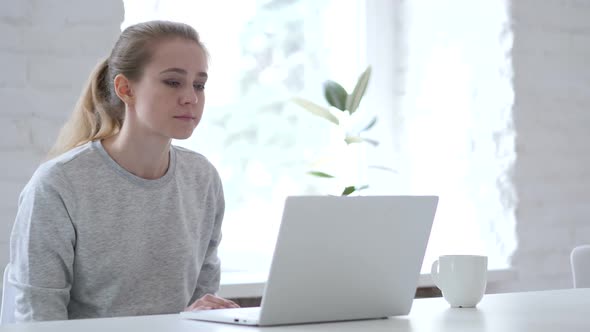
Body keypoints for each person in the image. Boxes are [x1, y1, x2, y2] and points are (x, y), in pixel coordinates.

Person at [8, 20, 239, 322]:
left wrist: (205, 315)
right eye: (173, 82)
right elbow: (39, 318)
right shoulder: (59, 184)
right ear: (125, 88)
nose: (191, 98)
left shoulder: (202, 178)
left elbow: (199, 305)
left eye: (199, 84)